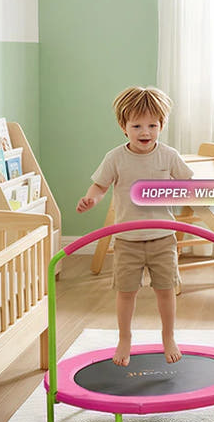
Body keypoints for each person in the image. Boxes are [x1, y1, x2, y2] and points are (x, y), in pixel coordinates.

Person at [77, 86, 192, 367]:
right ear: (123, 126)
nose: (145, 132)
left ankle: (168, 336)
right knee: (126, 291)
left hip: (163, 237)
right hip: (127, 238)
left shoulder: (168, 155)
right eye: (137, 125)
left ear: (161, 126)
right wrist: (92, 198)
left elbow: (187, 183)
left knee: (165, 290)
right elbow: (101, 184)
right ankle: (125, 337)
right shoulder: (115, 157)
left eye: (153, 125)